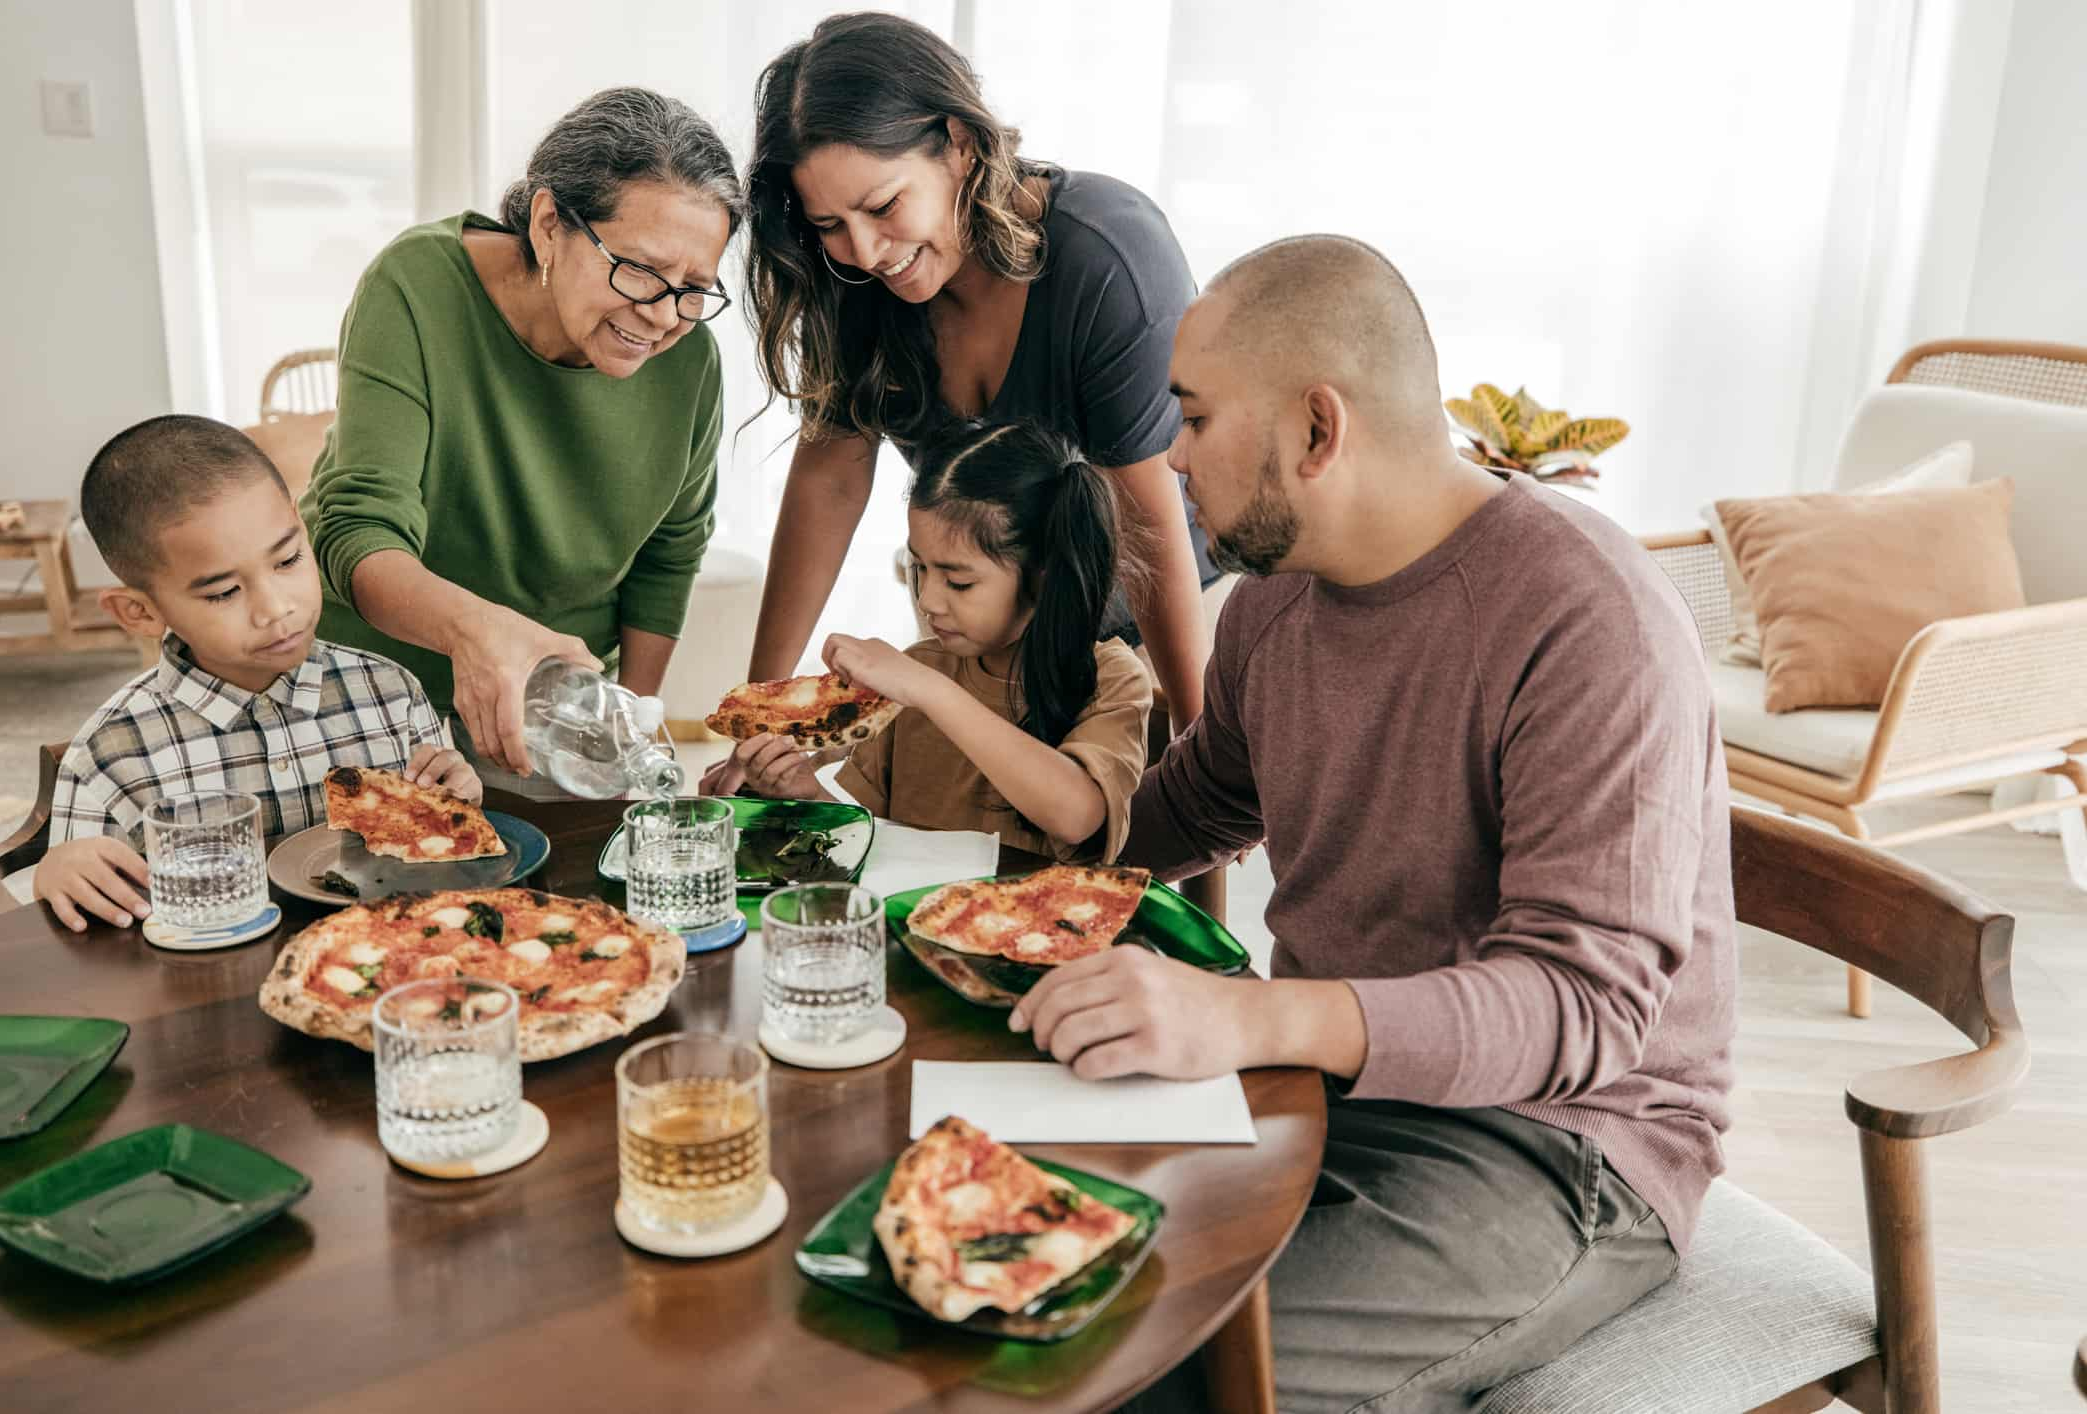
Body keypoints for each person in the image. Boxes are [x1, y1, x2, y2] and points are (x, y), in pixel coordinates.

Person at [1012, 237, 1738, 1412]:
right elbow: (1191, 807)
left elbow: (1582, 1004)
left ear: (1315, 429)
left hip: (1560, 1145)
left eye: (1192, 418)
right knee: (1009, 1276)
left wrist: (1244, 1016)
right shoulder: (1268, 602)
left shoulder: (1589, 619)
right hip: (1324, 1087)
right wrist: (994, 875)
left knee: (1159, 1370)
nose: (1169, 457)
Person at [742, 12, 1222, 727]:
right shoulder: (850, 280)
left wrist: (1195, 742)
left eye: (883, 206)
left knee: (1146, 821)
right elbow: (831, 478)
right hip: (991, 623)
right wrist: (759, 710)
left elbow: (1148, 523)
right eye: (830, 225)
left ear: (959, 145)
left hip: (1167, 619)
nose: (866, 252)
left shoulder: (1107, 258)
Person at [304, 87, 741, 795]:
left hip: (546, 716)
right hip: (368, 698)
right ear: (547, 224)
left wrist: (620, 724)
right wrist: (479, 634)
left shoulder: (690, 364)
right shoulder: (418, 287)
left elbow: (669, 555)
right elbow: (359, 526)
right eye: (640, 270)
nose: (662, 317)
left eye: (694, 288)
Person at [35, 416, 473, 933]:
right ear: (140, 613)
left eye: (287, 560)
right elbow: (73, 922)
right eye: (223, 592)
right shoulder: (110, 756)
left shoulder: (391, 695)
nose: (276, 609)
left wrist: (455, 801)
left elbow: (435, 858)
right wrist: (54, 872)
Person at [702, 420, 1151, 864]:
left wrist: (931, 692)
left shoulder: (1110, 678)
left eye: (958, 582)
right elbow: (872, 844)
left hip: (1044, 928)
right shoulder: (916, 674)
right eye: (918, 569)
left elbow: (1076, 816)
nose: (928, 600)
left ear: (1043, 577)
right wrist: (804, 796)